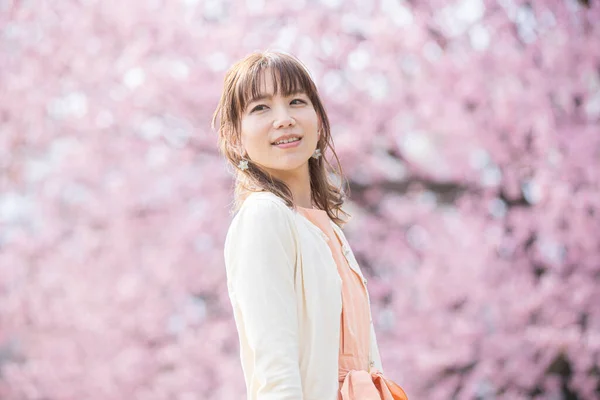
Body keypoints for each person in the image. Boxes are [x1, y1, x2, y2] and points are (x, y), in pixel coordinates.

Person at [212, 50, 408, 400]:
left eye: (296, 101)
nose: (284, 118)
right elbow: (275, 372)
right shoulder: (264, 217)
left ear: (318, 120)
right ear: (234, 137)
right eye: (261, 108)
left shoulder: (327, 229)